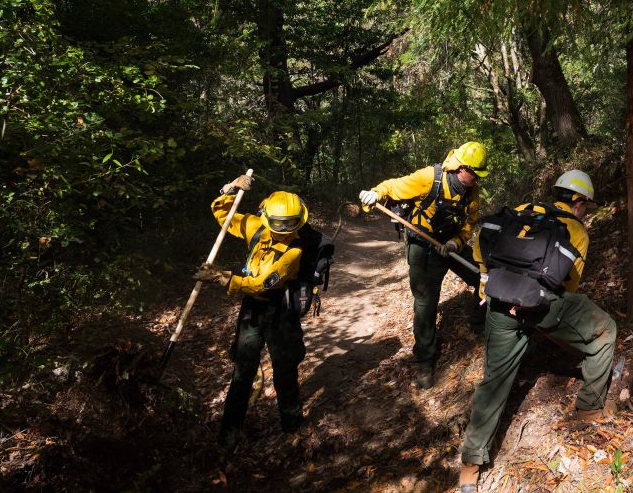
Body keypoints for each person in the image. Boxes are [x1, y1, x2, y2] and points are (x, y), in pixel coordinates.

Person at [456, 170, 617, 492]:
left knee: (494, 381)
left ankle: (470, 469)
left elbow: (481, 254)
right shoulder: (576, 230)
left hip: (498, 302)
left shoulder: (520, 210)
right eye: (586, 206)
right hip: (541, 307)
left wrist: (495, 285)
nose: (586, 212)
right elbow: (568, 284)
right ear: (579, 201)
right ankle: (589, 409)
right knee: (606, 331)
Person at [195, 173, 334, 450]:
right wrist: (230, 189)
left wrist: (223, 278)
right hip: (252, 310)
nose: (285, 228)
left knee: (284, 369)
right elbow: (224, 215)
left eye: (291, 224)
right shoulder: (256, 226)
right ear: (267, 216)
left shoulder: (294, 251)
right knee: (243, 370)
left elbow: (262, 285)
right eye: (280, 223)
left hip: (280, 310)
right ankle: (228, 436)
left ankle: (292, 426)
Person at [359, 141, 489, 389]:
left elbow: (468, 225)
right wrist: (375, 193)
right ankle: (424, 360)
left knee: (484, 277)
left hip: (450, 245)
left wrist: (454, 242)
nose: (475, 179)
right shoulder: (429, 177)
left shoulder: (472, 192)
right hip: (423, 245)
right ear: (461, 167)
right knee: (426, 300)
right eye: (473, 174)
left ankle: (478, 323)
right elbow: (393, 187)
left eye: (478, 175)